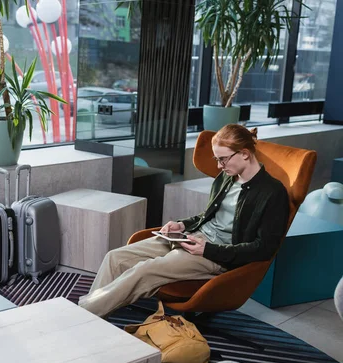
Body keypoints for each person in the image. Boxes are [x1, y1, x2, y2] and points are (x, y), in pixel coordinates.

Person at [78, 124, 290, 317]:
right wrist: (181, 225)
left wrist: (208, 250)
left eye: (222, 159)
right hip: (192, 237)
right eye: (217, 159)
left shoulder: (272, 193)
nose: (218, 166)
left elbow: (264, 249)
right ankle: (94, 316)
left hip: (217, 256)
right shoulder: (227, 178)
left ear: (244, 154)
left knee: (144, 271)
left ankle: (82, 317)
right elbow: (207, 216)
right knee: (115, 257)